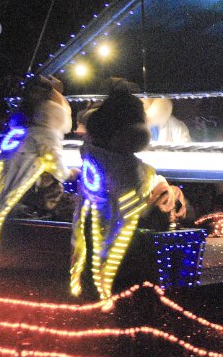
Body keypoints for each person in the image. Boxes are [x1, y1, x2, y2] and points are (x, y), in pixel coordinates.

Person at [70, 86, 188, 300]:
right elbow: (138, 200)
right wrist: (163, 192)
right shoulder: (129, 168)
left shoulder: (91, 152)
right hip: (126, 253)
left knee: (91, 278)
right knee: (120, 295)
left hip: (91, 227)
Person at [0, 76, 78, 251]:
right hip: (19, 175)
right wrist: (69, 173)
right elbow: (54, 162)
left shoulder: (23, 128)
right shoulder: (47, 132)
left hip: (1, 170)